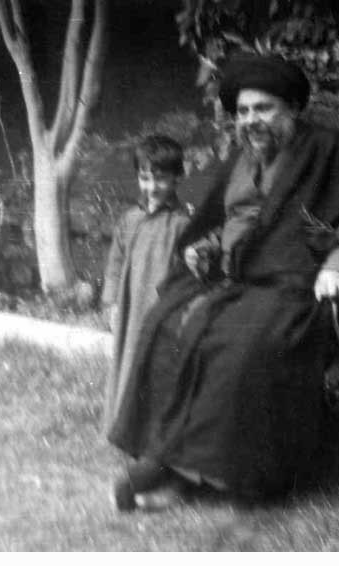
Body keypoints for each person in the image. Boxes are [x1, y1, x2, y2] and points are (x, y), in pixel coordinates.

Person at [107, 53, 339, 511]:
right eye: (242, 111)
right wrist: (204, 247)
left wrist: (338, 265)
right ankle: (168, 461)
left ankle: (192, 474)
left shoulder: (333, 152)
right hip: (233, 281)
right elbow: (216, 223)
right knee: (163, 321)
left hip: (299, 286)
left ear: (292, 108)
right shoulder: (238, 162)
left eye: (263, 108)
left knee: (242, 347)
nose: (250, 120)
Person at [101, 135, 191, 435]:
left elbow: (189, 274)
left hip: (161, 311)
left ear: (178, 177)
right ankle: (121, 425)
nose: (152, 187)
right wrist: (112, 303)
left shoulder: (182, 224)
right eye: (145, 178)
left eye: (161, 179)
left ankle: (152, 433)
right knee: (127, 362)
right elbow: (115, 262)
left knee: (156, 368)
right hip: (130, 309)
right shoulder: (130, 219)